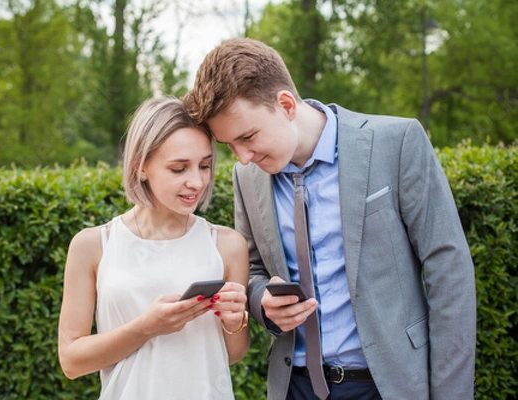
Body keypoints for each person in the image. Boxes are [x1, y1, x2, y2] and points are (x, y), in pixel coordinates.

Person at [184, 38, 476, 400]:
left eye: (248, 137)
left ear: (286, 105)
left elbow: (450, 272)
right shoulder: (247, 178)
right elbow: (253, 270)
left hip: (389, 385)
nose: (242, 158)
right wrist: (263, 305)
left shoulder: (396, 142)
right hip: (296, 386)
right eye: (230, 146)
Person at [57, 96, 250, 399]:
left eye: (204, 166)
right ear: (140, 166)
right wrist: (145, 328)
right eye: (179, 169)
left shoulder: (227, 245)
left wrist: (235, 320)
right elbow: (71, 361)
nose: (197, 182)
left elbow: (233, 353)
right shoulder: (93, 245)